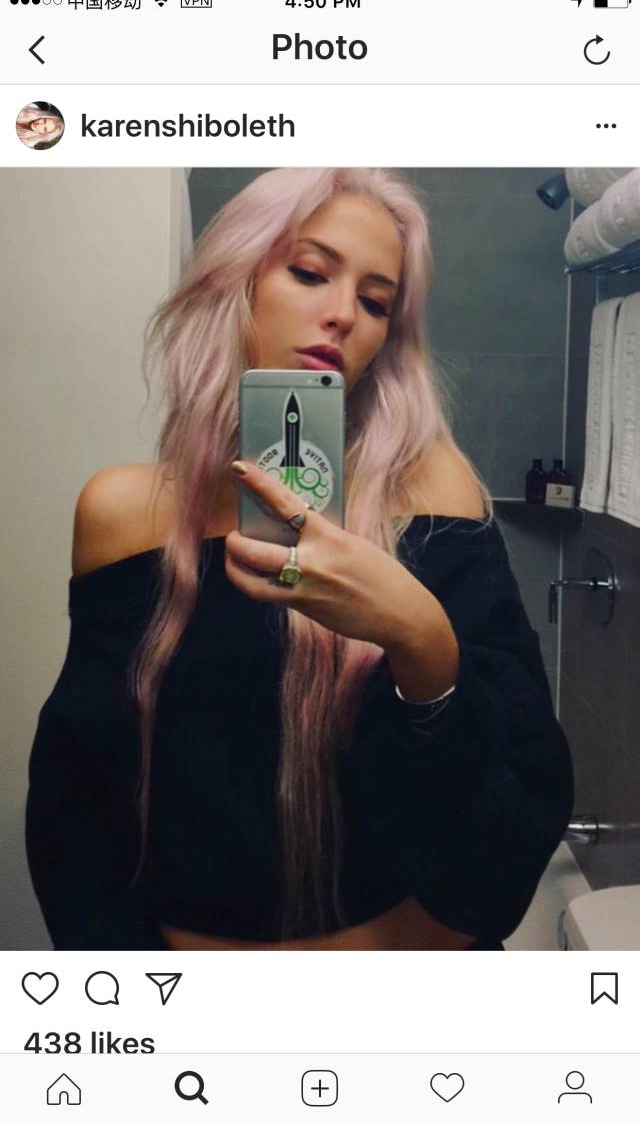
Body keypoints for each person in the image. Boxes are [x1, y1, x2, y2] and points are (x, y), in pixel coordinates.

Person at [25, 167, 574, 951]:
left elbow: (515, 807)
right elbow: (80, 810)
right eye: (311, 272)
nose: (344, 313)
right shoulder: (124, 512)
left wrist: (418, 634)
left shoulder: (433, 495)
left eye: (376, 302)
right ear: (236, 285)